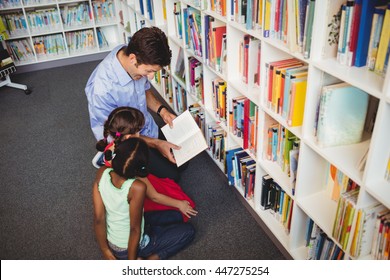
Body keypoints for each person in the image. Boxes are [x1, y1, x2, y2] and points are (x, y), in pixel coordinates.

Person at [85, 26, 183, 181]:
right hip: (123, 140)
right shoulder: (102, 90)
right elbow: (117, 135)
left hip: (145, 126)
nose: (150, 77)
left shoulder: (129, 54)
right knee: (172, 177)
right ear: (133, 59)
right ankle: (108, 158)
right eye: (149, 71)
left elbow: (144, 90)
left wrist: (162, 110)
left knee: (182, 159)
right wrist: (156, 143)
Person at [93, 137, 195, 260]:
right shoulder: (137, 187)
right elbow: (134, 230)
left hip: (114, 241)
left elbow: (99, 218)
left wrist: (105, 250)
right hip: (130, 248)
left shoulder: (102, 172)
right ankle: (151, 259)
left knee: (176, 216)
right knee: (189, 231)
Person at [97, 106, 197, 221]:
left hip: (128, 191)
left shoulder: (110, 150)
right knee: (179, 203)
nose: (141, 135)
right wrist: (180, 204)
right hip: (141, 192)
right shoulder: (131, 160)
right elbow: (154, 196)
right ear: (129, 137)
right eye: (139, 132)